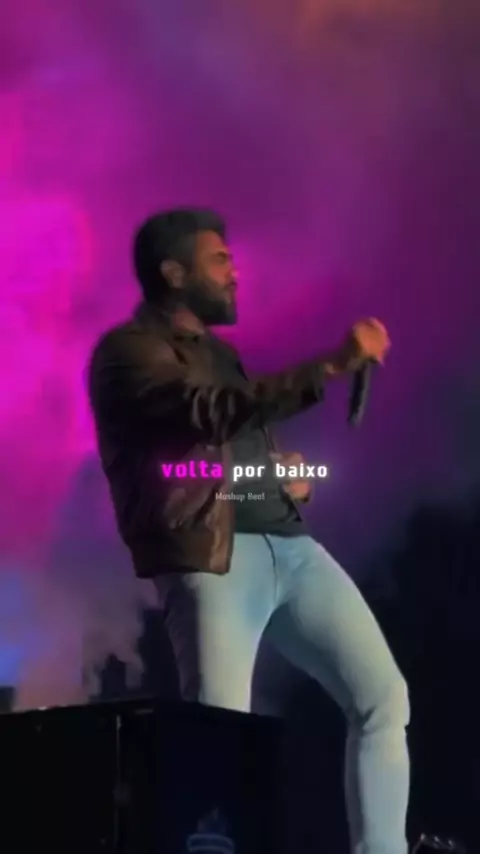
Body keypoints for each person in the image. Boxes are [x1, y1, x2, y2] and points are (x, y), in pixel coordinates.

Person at [88, 208, 410, 854]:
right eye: (220, 260)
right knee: (220, 732)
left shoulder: (221, 355)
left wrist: (278, 473)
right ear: (174, 273)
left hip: (293, 549)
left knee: (383, 698)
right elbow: (205, 416)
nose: (234, 273)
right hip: (213, 560)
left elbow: (230, 440)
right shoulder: (127, 353)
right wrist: (330, 366)